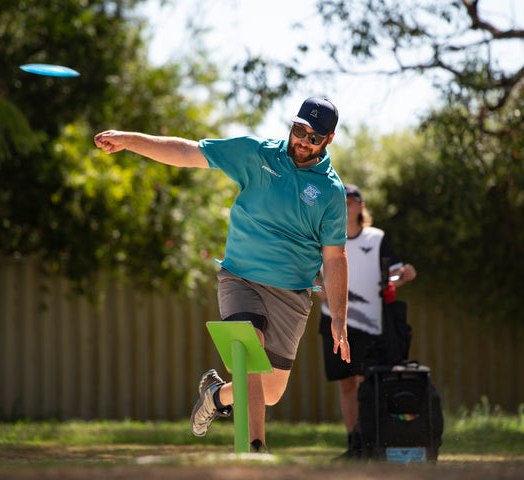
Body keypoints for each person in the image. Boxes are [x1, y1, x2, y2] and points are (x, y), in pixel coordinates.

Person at [94, 97, 351, 452]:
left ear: (329, 139)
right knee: (249, 354)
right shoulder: (256, 154)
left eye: (314, 137)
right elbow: (189, 152)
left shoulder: (331, 192)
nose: (303, 141)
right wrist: (128, 140)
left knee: (270, 390)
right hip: (240, 277)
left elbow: (335, 257)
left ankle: (215, 397)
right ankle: (255, 449)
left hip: (290, 293)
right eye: (298, 130)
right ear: (291, 126)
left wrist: (339, 315)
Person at [315, 184, 416, 457]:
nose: (346, 206)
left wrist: (404, 275)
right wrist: (319, 289)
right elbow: (310, 274)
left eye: (351, 202)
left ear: (361, 206)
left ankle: (367, 441)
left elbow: (392, 276)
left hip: (369, 324)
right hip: (333, 322)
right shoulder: (325, 235)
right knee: (346, 382)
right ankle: (352, 444)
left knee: (363, 381)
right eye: (341, 202)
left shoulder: (376, 237)